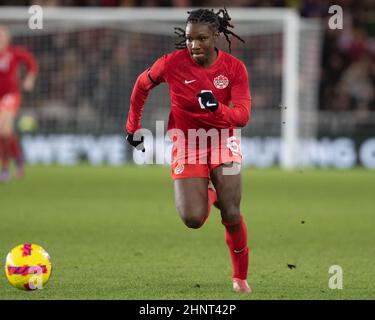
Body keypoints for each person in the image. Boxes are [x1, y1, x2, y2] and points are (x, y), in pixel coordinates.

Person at [125, 8, 252, 293]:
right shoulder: (170, 64)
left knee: (231, 212)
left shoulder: (233, 69)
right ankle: (211, 191)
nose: (195, 45)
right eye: (190, 38)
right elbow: (141, 85)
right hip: (187, 142)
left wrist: (217, 108)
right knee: (193, 219)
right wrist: (132, 127)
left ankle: (239, 278)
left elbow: (242, 116)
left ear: (216, 36)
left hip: (223, 140)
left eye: (202, 39)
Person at [0, 26, 38, 182]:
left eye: (2, 35)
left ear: (8, 38)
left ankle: (4, 169)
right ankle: (18, 156)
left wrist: (29, 79)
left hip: (11, 96)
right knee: (5, 133)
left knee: (3, 130)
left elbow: (32, 62)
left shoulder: (14, 52)